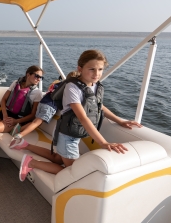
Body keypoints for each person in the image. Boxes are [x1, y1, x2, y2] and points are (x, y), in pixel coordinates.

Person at [19, 50, 142, 181]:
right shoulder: (72, 88)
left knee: (57, 158)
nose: (97, 74)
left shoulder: (94, 85)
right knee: (73, 171)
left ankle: (25, 145)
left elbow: (99, 107)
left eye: (100, 69)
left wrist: (120, 121)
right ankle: (31, 163)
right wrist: (104, 143)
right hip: (67, 136)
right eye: (92, 69)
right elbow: (82, 117)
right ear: (80, 68)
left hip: (75, 134)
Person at [0, 66, 44, 179]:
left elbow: (32, 115)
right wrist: (5, 115)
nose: (39, 79)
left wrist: (16, 121)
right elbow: (3, 100)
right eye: (37, 76)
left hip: (18, 119)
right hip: (5, 113)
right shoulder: (16, 82)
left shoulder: (37, 93)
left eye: (41, 77)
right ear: (28, 75)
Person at [9, 70, 80, 149]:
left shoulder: (59, 84)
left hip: (42, 102)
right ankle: (19, 135)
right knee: (37, 123)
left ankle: (18, 129)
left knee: (36, 122)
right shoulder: (69, 88)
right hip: (50, 106)